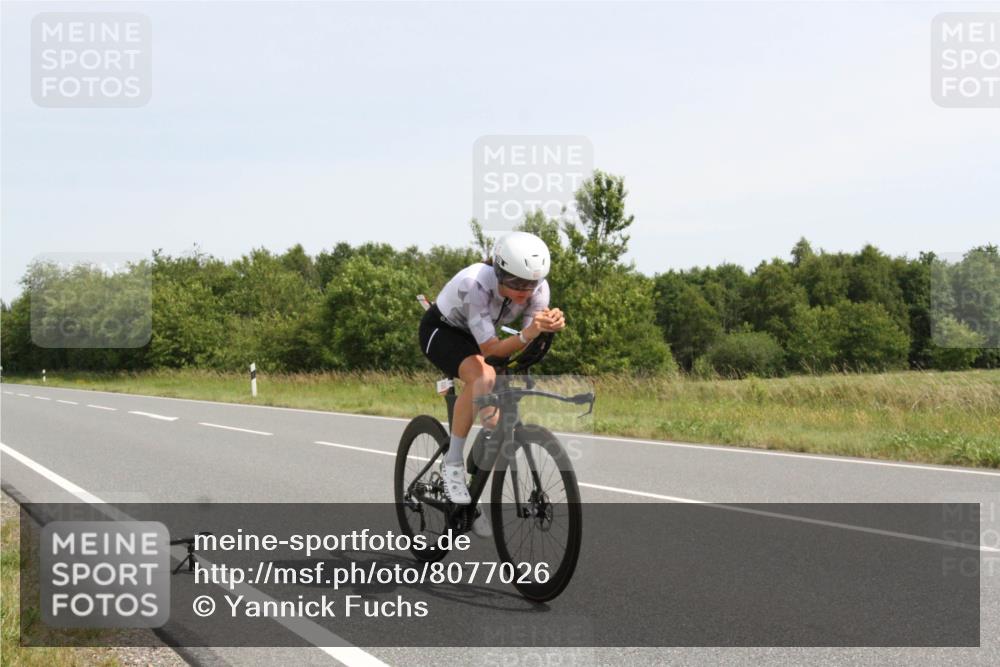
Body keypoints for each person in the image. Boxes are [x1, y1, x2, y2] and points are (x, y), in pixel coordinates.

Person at [418, 231, 566, 506]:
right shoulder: (474, 284)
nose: (525, 291)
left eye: (532, 283)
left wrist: (546, 328)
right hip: (442, 331)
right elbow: (490, 351)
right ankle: (452, 465)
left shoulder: (539, 290)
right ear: (499, 272)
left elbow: (523, 344)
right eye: (516, 282)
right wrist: (529, 333)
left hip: (480, 336)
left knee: (496, 423)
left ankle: (470, 498)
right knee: (482, 377)